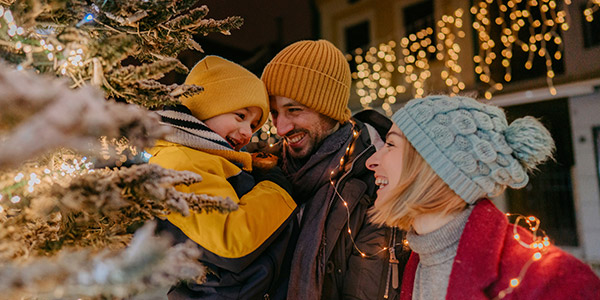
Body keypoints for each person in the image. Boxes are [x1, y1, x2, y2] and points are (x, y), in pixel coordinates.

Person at [365, 95, 600, 299]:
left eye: (391, 144)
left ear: (434, 165)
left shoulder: (550, 279)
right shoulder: (417, 264)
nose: (371, 162)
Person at [261, 39, 410, 300]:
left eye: (294, 110)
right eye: (274, 113)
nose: (281, 128)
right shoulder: (265, 170)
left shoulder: (375, 181)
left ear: (328, 108)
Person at [147, 56, 297, 299]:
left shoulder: (207, 159)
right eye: (241, 116)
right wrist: (276, 188)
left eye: (254, 124)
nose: (248, 133)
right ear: (207, 106)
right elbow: (230, 240)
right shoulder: (180, 161)